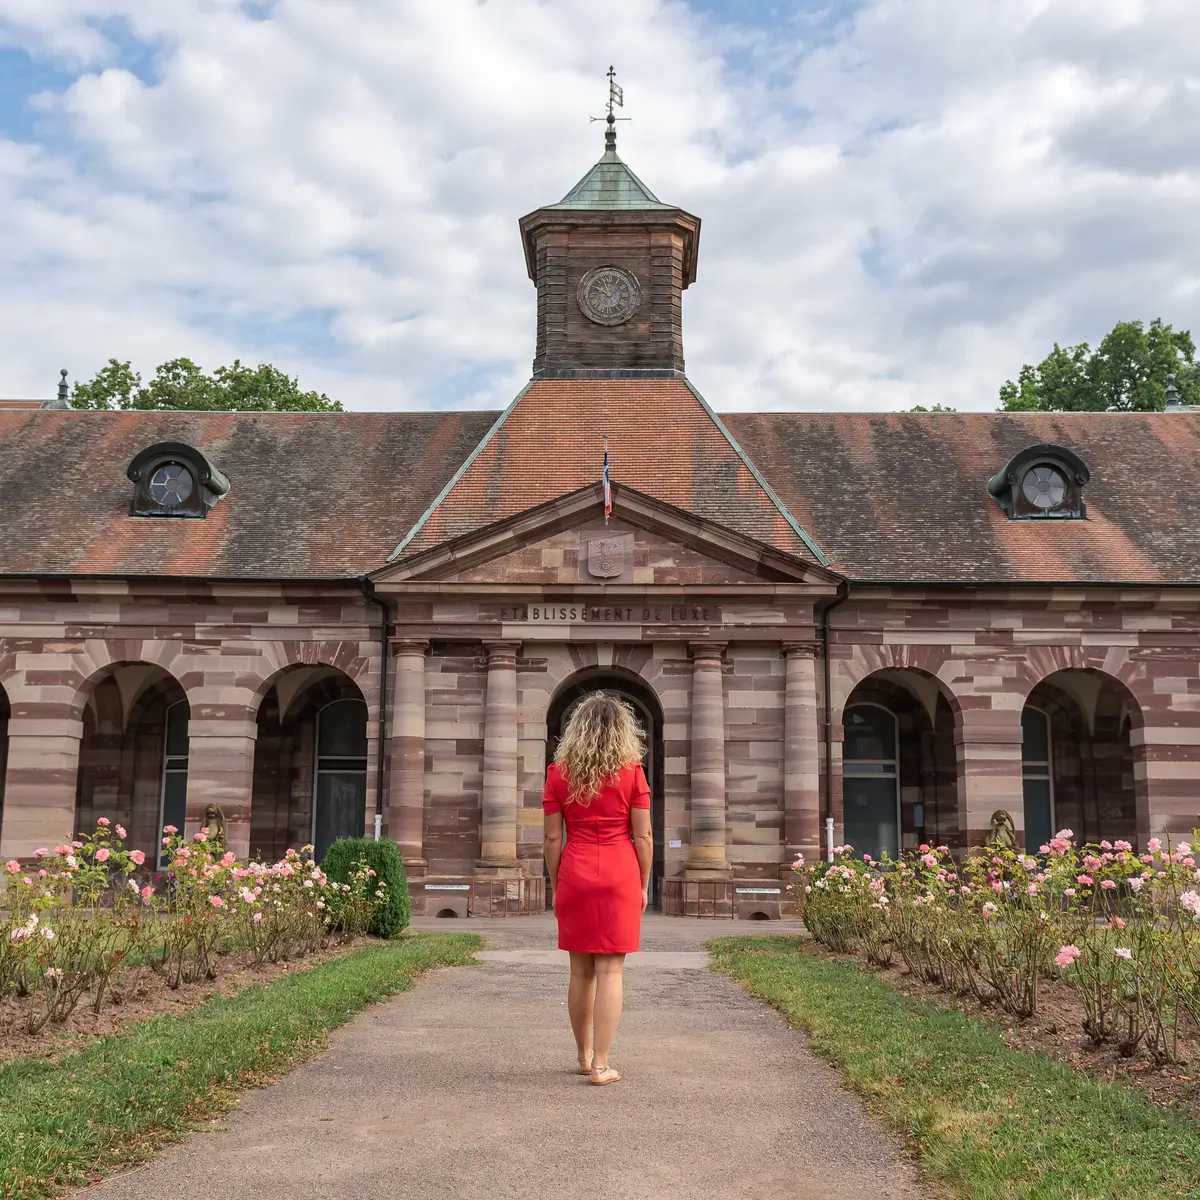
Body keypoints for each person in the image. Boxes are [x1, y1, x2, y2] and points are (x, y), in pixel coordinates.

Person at [543, 691, 653, 1086]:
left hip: (576, 869)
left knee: (580, 973)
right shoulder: (632, 773)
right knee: (611, 971)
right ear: (624, 731)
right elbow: (643, 837)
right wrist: (642, 885)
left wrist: (558, 884)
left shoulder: (558, 774)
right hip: (620, 870)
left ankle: (583, 1055)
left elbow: (553, 840)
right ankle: (604, 1064)